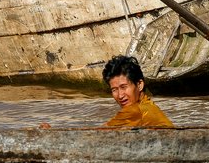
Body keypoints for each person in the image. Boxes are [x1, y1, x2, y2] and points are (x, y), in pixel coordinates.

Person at [41, 55, 173, 129]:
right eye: (114, 90)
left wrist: (53, 132)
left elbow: (96, 135)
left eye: (123, 87)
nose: (120, 95)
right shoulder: (147, 106)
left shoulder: (135, 110)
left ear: (139, 85)